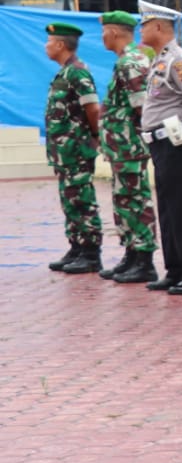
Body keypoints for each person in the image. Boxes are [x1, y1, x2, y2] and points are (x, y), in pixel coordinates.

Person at [138, 1, 182, 294]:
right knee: (166, 209)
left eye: (143, 24)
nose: (140, 29)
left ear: (158, 26)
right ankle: (175, 269)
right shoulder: (159, 59)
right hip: (161, 144)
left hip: (178, 143)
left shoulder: (179, 60)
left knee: (181, 209)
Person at [96, 11, 158, 284]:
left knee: (135, 198)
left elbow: (142, 107)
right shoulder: (124, 61)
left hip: (130, 145)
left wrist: (137, 139)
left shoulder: (132, 61)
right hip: (121, 146)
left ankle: (144, 259)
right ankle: (131, 254)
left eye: (104, 32)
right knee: (124, 198)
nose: (102, 37)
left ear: (115, 32)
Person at [43, 21, 102, 275]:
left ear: (60, 44)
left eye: (49, 41)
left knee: (82, 200)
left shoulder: (78, 73)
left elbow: (92, 109)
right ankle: (76, 246)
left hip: (77, 149)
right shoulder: (64, 73)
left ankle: (90, 253)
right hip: (64, 152)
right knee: (70, 200)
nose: (46, 46)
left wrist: (95, 137)